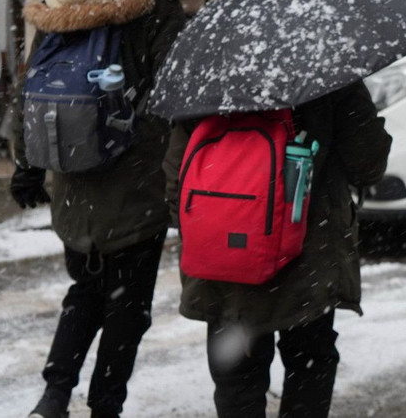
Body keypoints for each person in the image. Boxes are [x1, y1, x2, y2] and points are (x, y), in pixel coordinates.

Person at [10, 0, 186, 418]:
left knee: (85, 292)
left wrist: (26, 165)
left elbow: (31, 92)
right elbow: (171, 99)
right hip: (135, 185)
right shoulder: (157, 7)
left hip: (71, 179)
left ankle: (54, 395)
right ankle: (106, 406)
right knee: (128, 309)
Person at [164, 82, 392, 417]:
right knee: (310, 364)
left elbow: (175, 179)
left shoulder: (211, 75)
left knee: (237, 378)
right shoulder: (326, 72)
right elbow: (367, 164)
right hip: (308, 255)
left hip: (223, 256)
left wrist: (223, 223)